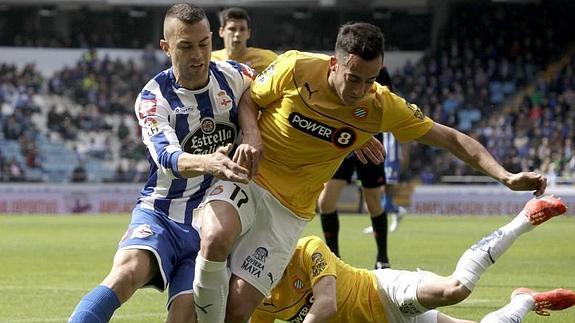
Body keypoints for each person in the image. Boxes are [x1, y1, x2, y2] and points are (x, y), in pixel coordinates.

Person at [193, 22, 547, 323]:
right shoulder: (297, 67)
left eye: (371, 80)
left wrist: (505, 176)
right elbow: (249, 99)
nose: (361, 90)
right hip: (250, 179)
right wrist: (253, 136)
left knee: (238, 310)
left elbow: (450, 138)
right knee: (215, 238)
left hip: (289, 213)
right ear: (334, 63)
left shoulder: (379, 106)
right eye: (354, 78)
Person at [68, 3, 258, 322]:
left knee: (183, 316)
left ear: (213, 39)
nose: (198, 55)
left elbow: (274, 100)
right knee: (126, 273)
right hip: (162, 213)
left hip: (210, 224)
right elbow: (167, 157)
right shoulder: (153, 97)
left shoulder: (237, 77)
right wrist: (209, 163)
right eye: (185, 46)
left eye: (204, 44)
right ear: (166, 47)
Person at [251, 196, 574, 323]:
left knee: (456, 289)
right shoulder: (257, 292)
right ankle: (526, 300)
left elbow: (326, 305)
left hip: (384, 294)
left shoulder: (307, 248)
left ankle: (524, 218)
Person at [318, 67, 395, 270]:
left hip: (370, 143)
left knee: (373, 203)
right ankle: (334, 259)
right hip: (341, 143)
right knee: (325, 202)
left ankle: (382, 259)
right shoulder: (338, 70)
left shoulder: (381, 72)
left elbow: (385, 105)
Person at [211, 7, 278, 74]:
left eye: (242, 29)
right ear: (221, 32)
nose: (237, 34)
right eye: (232, 29)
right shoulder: (212, 60)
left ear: (248, 33)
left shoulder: (266, 58)